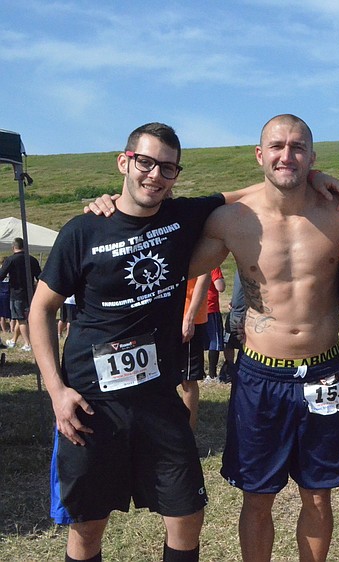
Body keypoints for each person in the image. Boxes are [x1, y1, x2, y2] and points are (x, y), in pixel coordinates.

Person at [29, 123, 224, 562]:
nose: (154, 175)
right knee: (87, 526)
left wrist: (315, 181)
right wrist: (57, 392)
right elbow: (40, 311)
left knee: (188, 513)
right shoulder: (82, 230)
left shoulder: (181, 219)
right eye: (146, 162)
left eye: (167, 168)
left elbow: (251, 199)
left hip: (158, 399)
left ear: (176, 176)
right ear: (125, 161)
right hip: (91, 404)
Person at [186, 114, 339, 562]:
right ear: (259, 154)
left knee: (319, 495)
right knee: (257, 495)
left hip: (324, 370)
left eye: (298, 147)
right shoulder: (232, 220)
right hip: (259, 374)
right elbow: (176, 255)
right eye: (277, 146)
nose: (287, 155)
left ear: (313, 156)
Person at [180, 273, 211, 432]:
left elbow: (205, 275)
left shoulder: (196, 246)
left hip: (189, 318)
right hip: (163, 316)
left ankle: (188, 434)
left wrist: (190, 318)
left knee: (188, 378)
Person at [0, 236, 42, 351]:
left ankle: (28, 344)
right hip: (30, 294)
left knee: (20, 319)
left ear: (13, 247)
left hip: (16, 293)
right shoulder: (32, 260)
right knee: (21, 318)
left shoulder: (10, 260)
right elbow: (40, 277)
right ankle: (13, 340)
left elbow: (1, 276)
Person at [205, 267, 230, 382]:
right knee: (213, 342)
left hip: (196, 310)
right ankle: (212, 374)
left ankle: (200, 371)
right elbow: (220, 287)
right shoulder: (213, 265)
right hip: (210, 308)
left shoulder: (195, 261)